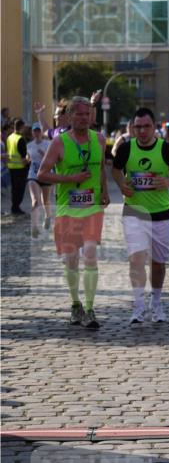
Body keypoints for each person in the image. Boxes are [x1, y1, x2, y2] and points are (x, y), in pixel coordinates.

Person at [37, 97, 109, 327]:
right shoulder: (59, 143)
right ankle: (75, 304)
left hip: (92, 207)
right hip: (68, 208)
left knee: (90, 254)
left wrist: (105, 191)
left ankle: (89, 308)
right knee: (71, 260)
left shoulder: (99, 139)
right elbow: (42, 174)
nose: (83, 118)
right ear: (68, 117)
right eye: (78, 114)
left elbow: (100, 169)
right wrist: (70, 178)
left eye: (86, 114)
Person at [111, 107, 169, 323]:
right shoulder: (126, 149)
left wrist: (168, 182)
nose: (142, 131)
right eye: (138, 127)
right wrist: (121, 184)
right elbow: (115, 170)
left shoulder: (166, 149)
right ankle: (138, 305)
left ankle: (156, 302)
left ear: (154, 127)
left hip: (161, 214)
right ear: (133, 128)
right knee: (136, 260)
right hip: (134, 212)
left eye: (146, 126)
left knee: (158, 263)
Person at [27, 122, 52, 236]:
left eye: (38, 131)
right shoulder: (29, 145)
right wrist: (26, 160)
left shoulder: (48, 144)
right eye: (34, 131)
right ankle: (34, 226)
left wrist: (44, 155)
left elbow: (52, 160)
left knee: (45, 201)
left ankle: (47, 216)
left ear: (42, 132)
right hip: (33, 175)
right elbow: (28, 158)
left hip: (46, 175)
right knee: (35, 201)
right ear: (32, 133)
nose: (36, 133)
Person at [6, 118, 30, 215]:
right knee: (19, 189)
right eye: (24, 127)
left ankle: (14, 207)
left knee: (14, 189)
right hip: (20, 168)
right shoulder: (20, 139)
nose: (25, 129)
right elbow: (24, 156)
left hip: (11, 166)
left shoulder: (9, 137)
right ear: (21, 127)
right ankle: (16, 208)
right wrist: (29, 161)